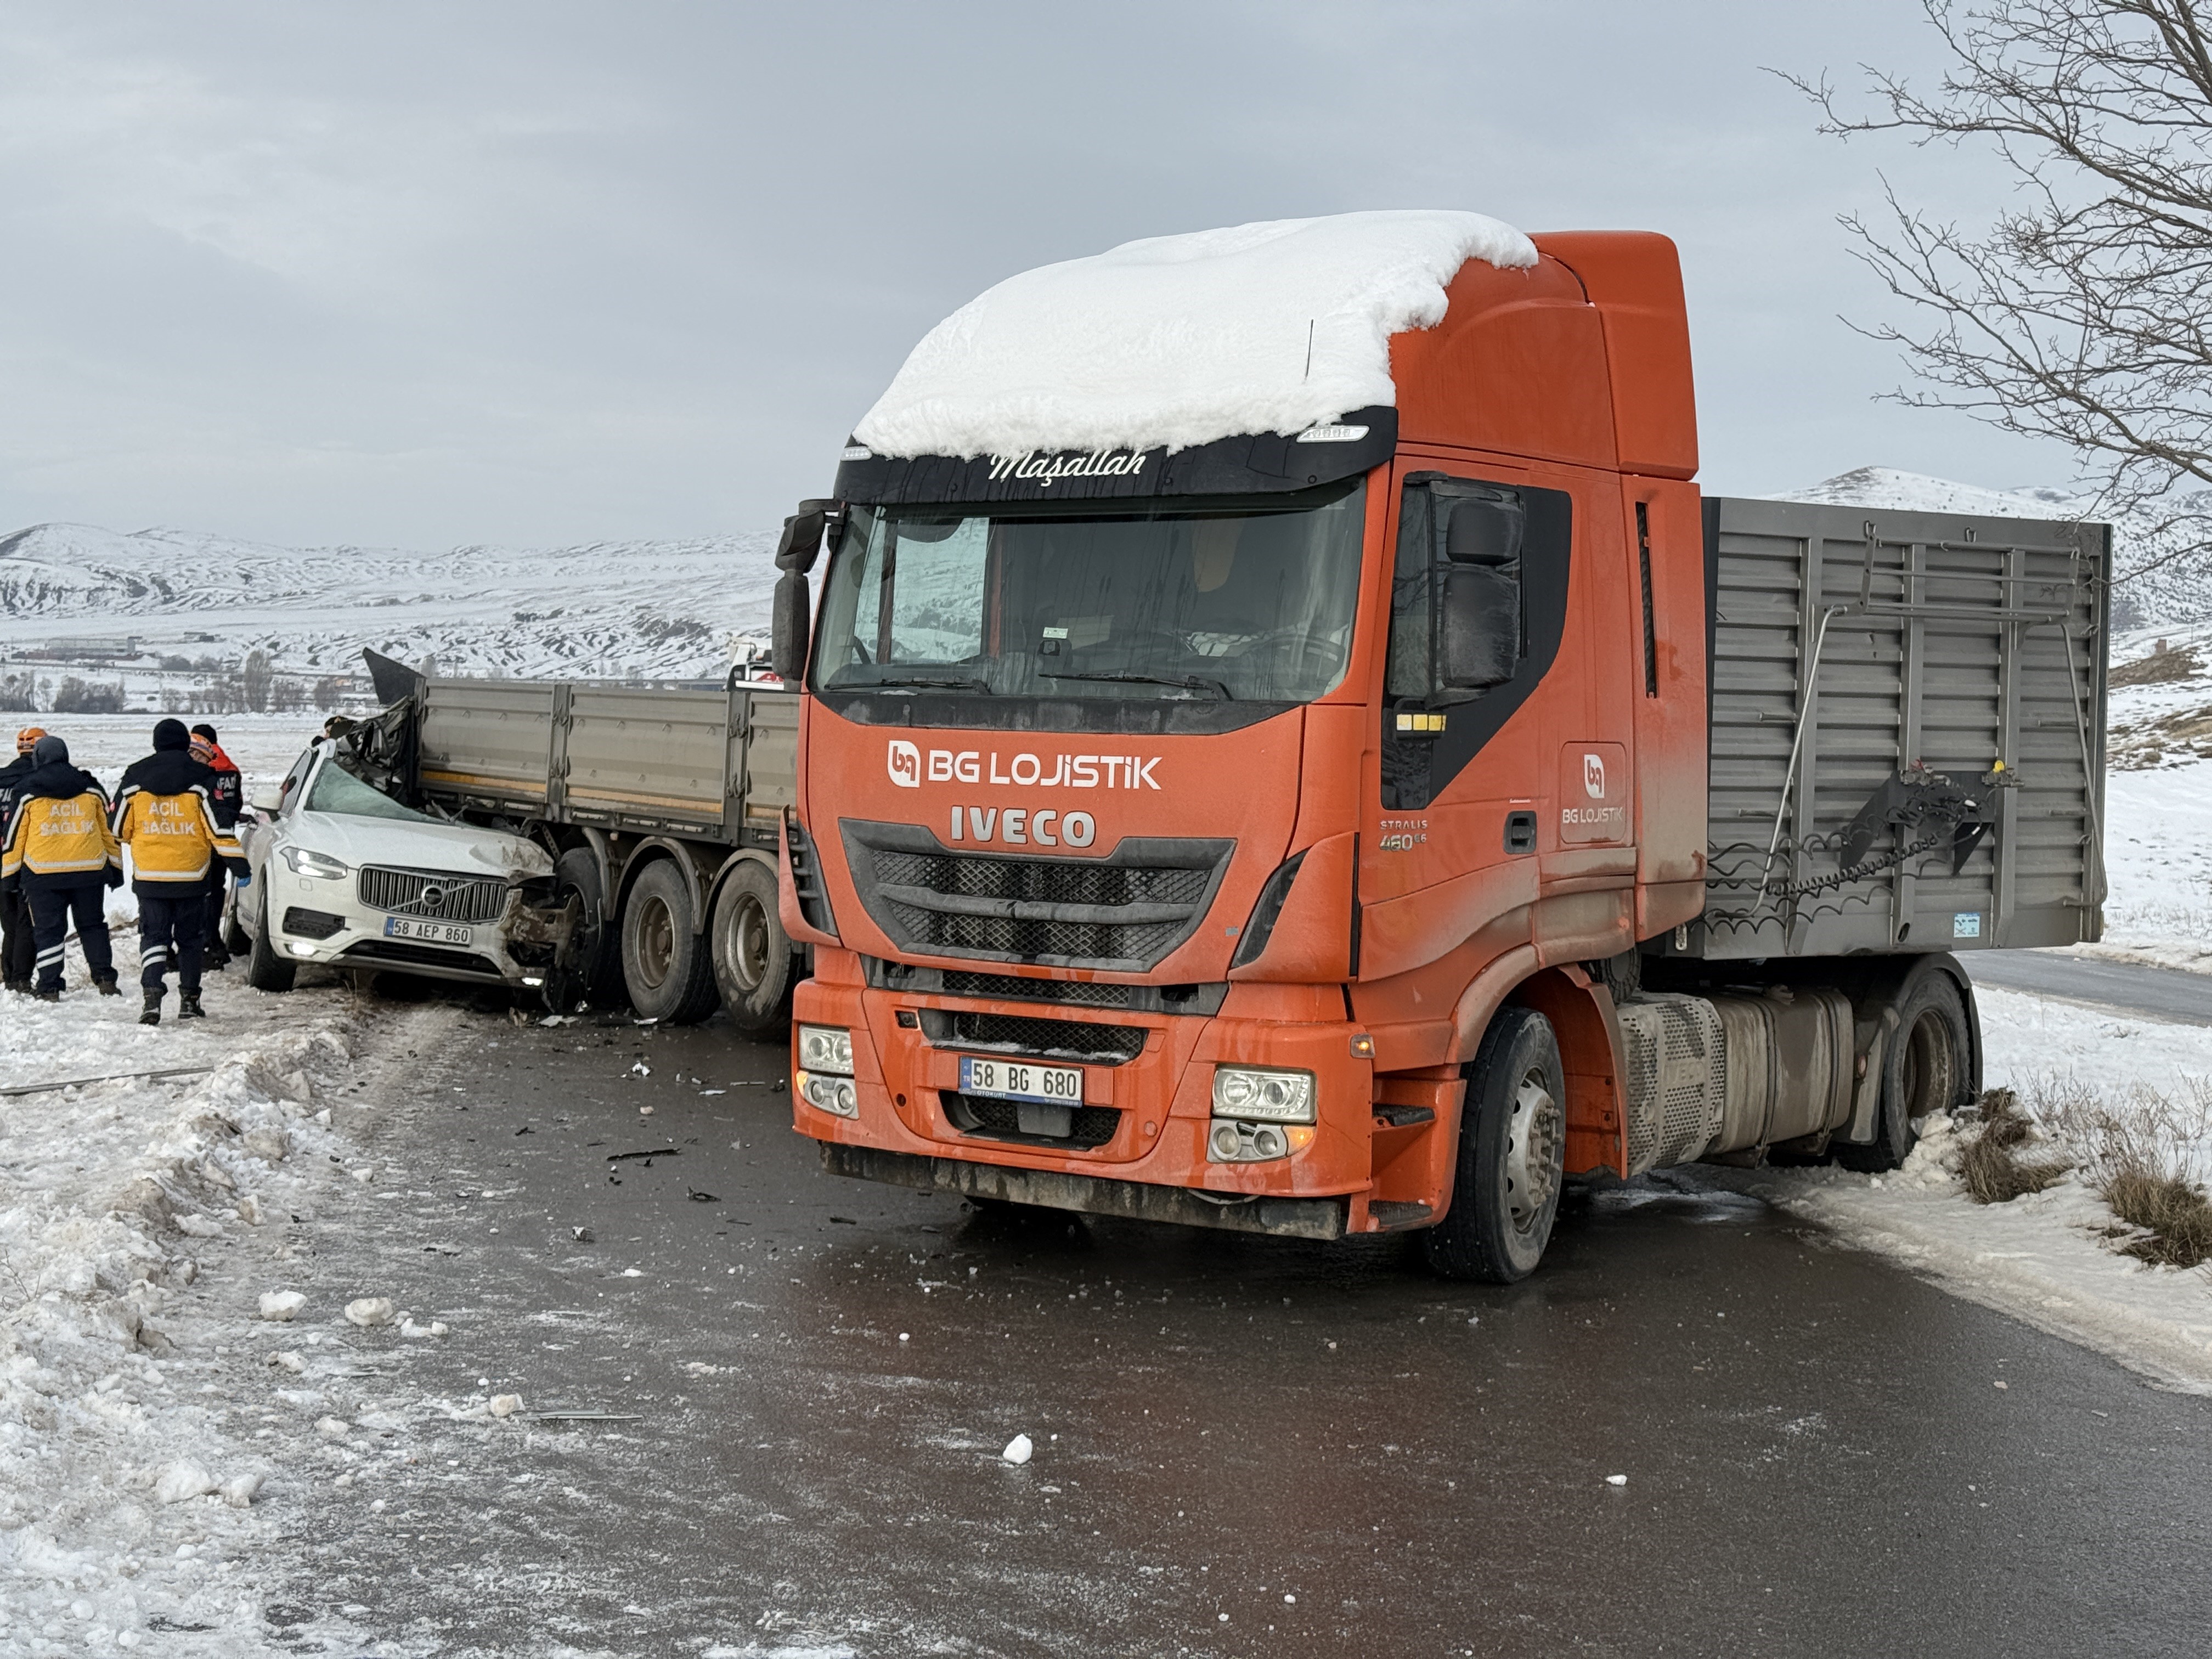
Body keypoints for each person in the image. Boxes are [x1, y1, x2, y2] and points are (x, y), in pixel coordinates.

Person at [112, 718, 245, 1025]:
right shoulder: (202, 777)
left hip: (150, 876)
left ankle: (152, 998)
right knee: (190, 940)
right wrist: (240, 864)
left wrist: (146, 834)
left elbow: (118, 827)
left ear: (155, 742)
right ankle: (189, 1001)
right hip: (192, 876)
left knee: (154, 937)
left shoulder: (135, 776)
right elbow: (219, 829)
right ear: (185, 743)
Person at [0, 733, 122, 1001]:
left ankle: (50, 986)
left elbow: (14, 839)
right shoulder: (91, 788)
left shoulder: (28, 791)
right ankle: (105, 978)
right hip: (89, 872)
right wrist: (116, 867)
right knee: (92, 926)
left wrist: (8, 876)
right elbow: (108, 832)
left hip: (43, 874)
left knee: (48, 931)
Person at [189, 724, 243, 968]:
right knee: (217, 890)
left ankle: (201, 943)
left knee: (200, 892)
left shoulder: (199, 767)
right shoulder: (231, 768)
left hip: (200, 839)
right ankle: (215, 941)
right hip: (225, 839)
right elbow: (237, 803)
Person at [0, 726, 46, 992]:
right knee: (26, 919)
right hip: (27, 857)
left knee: (8, 921)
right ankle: (21, 976)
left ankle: (9, 973)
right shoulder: (38, 780)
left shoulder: (2, 777)